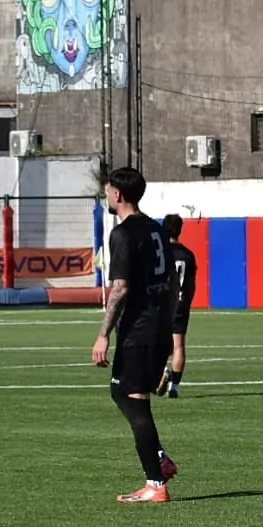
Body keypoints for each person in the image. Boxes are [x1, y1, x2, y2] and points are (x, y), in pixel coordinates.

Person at [91, 167, 179, 503]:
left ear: (117, 194)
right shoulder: (157, 229)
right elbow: (172, 282)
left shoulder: (123, 234)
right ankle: (159, 458)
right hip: (157, 326)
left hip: (139, 330)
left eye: (107, 190)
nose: (106, 195)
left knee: (137, 401)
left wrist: (103, 334)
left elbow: (120, 288)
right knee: (120, 391)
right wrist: (168, 324)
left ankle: (155, 484)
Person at [155, 214, 198, 398]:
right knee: (179, 345)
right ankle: (175, 386)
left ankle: (162, 370)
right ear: (180, 230)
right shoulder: (188, 255)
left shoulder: (160, 252)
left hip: (163, 303)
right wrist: (187, 301)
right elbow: (191, 284)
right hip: (181, 303)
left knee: (156, 342)